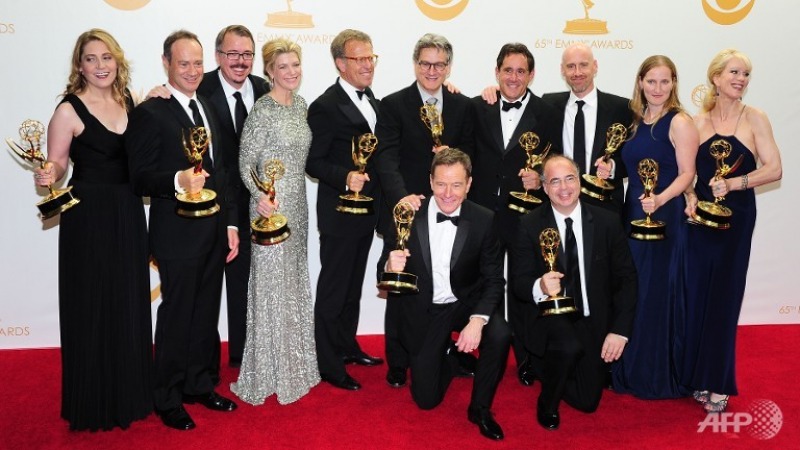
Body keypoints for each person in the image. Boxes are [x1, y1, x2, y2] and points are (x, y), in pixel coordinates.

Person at [33, 28, 152, 432]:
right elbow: (57, 163)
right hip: (88, 217)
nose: (100, 65)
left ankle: (130, 394)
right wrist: (48, 173)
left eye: (106, 57)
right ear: (79, 66)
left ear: (117, 61)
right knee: (92, 303)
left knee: (127, 300)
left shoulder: (129, 101)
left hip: (128, 210)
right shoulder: (68, 110)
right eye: (91, 58)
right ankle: (93, 402)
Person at [126, 30, 240, 431]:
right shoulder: (150, 112)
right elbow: (139, 177)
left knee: (206, 312)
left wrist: (230, 222)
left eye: (197, 63)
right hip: (176, 234)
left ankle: (199, 384)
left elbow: (222, 170)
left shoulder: (206, 104)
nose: (192, 71)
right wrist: (178, 180)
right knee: (177, 315)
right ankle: (168, 397)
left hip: (213, 230)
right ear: (166, 63)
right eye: (183, 63)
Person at [378, 148, 511, 440]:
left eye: (456, 185)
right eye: (440, 184)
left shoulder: (484, 219)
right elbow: (381, 273)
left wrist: (477, 320)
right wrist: (389, 265)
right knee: (426, 400)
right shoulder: (406, 213)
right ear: (430, 181)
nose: (448, 193)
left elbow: (494, 279)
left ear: (469, 184)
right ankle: (451, 356)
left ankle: (480, 408)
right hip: (426, 308)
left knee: (500, 333)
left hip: (465, 303)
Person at [681, 49, 782, 412]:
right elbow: (688, 174)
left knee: (724, 298)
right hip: (700, 221)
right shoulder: (696, 121)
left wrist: (736, 183)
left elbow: (774, 168)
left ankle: (718, 382)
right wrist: (690, 197)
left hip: (736, 220)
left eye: (746, 74)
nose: (741, 79)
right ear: (716, 77)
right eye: (734, 72)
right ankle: (696, 375)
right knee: (696, 296)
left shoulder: (755, 118)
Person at [374, 33, 475, 388]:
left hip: (449, 207)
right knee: (400, 286)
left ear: (449, 67)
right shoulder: (392, 104)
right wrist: (403, 198)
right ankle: (398, 361)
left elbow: (472, 155)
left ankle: (447, 353)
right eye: (425, 63)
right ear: (415, 64)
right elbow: (385, 158)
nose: (432, 70)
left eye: (439, 64)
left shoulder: (463, 105)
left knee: (448, 283)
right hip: (408, 210)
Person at [511, 155, 637, 431]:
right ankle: (547, 402)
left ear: (579, 182)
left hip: (592, 319)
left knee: (587, 402)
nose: (564, 188)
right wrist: (540, 285)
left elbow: (627, 279)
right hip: (549, 317)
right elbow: (518, 282)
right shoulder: (529, 224)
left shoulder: (607, 221)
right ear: (545, 188)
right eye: (555, 181)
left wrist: (619, 331)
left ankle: (544, 365)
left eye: (569, 179)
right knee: (568, 347)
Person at [230, 38, 320, 405]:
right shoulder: (262, 111)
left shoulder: (301, 105)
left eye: (295, 64)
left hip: (297, 204)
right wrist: (259, 197)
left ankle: (295, 365)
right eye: (283, 66)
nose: (291, 72)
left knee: (292, 281)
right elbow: (245, 162)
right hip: (270, 207)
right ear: (269, 71)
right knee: (270, 286)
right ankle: (265, 370)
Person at [470, 42, 559, 386]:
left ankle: (527, 358)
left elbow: (557, 158)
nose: (513, 77)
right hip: (482, 213)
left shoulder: (547, 112)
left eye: (521, 71)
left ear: (531, 75)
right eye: (507, 70)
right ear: (497, 72)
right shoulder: (479, 106)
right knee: (483, 284)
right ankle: (482, 354)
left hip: (525, 214)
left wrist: (541, 178)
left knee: (524, 288)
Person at [611, 55, 698, 399]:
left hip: (663, 217)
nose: (658, 88)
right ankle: (629, 367)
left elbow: (688, 174)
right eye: (651, 81)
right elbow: (629, 167)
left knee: (656, 292)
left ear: (674, 83)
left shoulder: (680, 122)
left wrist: (660, 199)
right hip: (634, 213)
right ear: (641, 82)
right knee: (635, 289)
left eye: (664, 81)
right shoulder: (636, 120)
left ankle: (656, 373)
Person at [305, 29, 383, 391]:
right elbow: (313, 162)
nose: (367, 65)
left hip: (366, 212)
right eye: (359, 58)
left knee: (353, 287)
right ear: (340, 63)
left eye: (370, 58)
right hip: (339, 212)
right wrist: (345, 176)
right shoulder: (325, 105)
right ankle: (327, 362)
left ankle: (346, 346)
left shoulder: (374, 101)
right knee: (334, 289)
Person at [198, 25, 270, 371]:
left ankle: (246, 355)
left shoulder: (265, 89)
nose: (240, 62)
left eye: (247, 54)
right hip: (216, 206)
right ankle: (205, 365)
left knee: (251, 285)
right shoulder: (200, 88)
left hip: (260, 206)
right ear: (217, 56)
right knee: (210, 288)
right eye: (232, 54)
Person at [543, 43, 632, 215]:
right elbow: (518, 97)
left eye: (583, 65)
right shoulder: (548, 104)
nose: (577, 72)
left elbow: (632, 158)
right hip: (559, 206)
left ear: (595, 66)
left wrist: (612, 167)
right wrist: (496, 92)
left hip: (605, 208)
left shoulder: (622, 108)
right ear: (562, 70)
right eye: (571, 66)